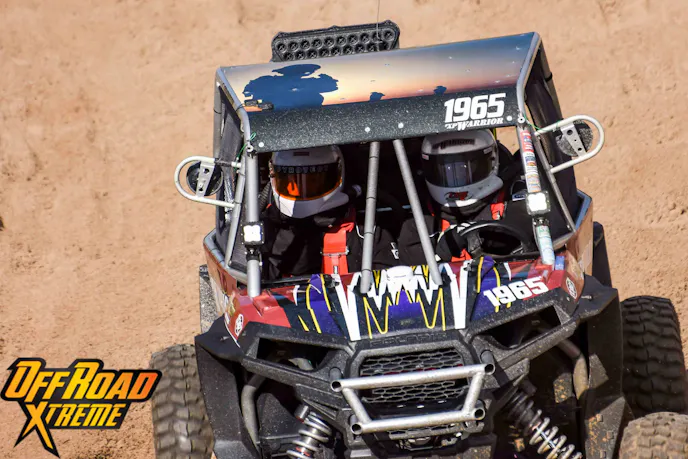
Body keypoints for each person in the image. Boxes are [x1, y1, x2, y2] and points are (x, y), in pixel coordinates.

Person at [261, 145, 399, 280]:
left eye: (313, 181)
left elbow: (392, 285)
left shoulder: (365, 230)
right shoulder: (264, 230)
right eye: (292, 184)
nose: (302, 190)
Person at [398, 129, 533, 264]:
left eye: (465, 168)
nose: (457, 177)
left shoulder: (511, 193)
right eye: (447, 169)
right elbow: (410, 267)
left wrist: (485, 236)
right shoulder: (420, 217)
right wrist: (438, 256)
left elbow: (529, 224)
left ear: (492, 161)